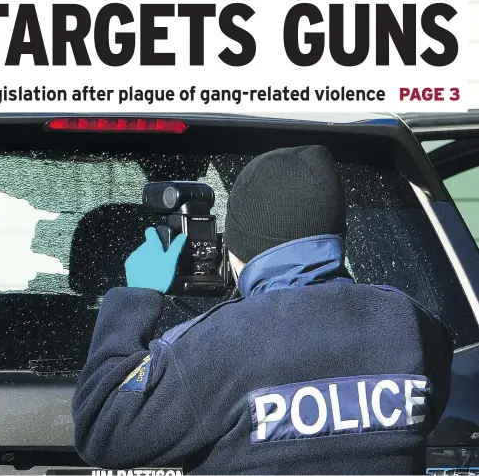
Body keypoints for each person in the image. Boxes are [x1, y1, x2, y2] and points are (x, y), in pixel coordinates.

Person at [71, 145, 453, 475]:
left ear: (237, 243)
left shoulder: (221, 342)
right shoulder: (415, 324)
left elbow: (102, 432)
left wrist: (135, 295)